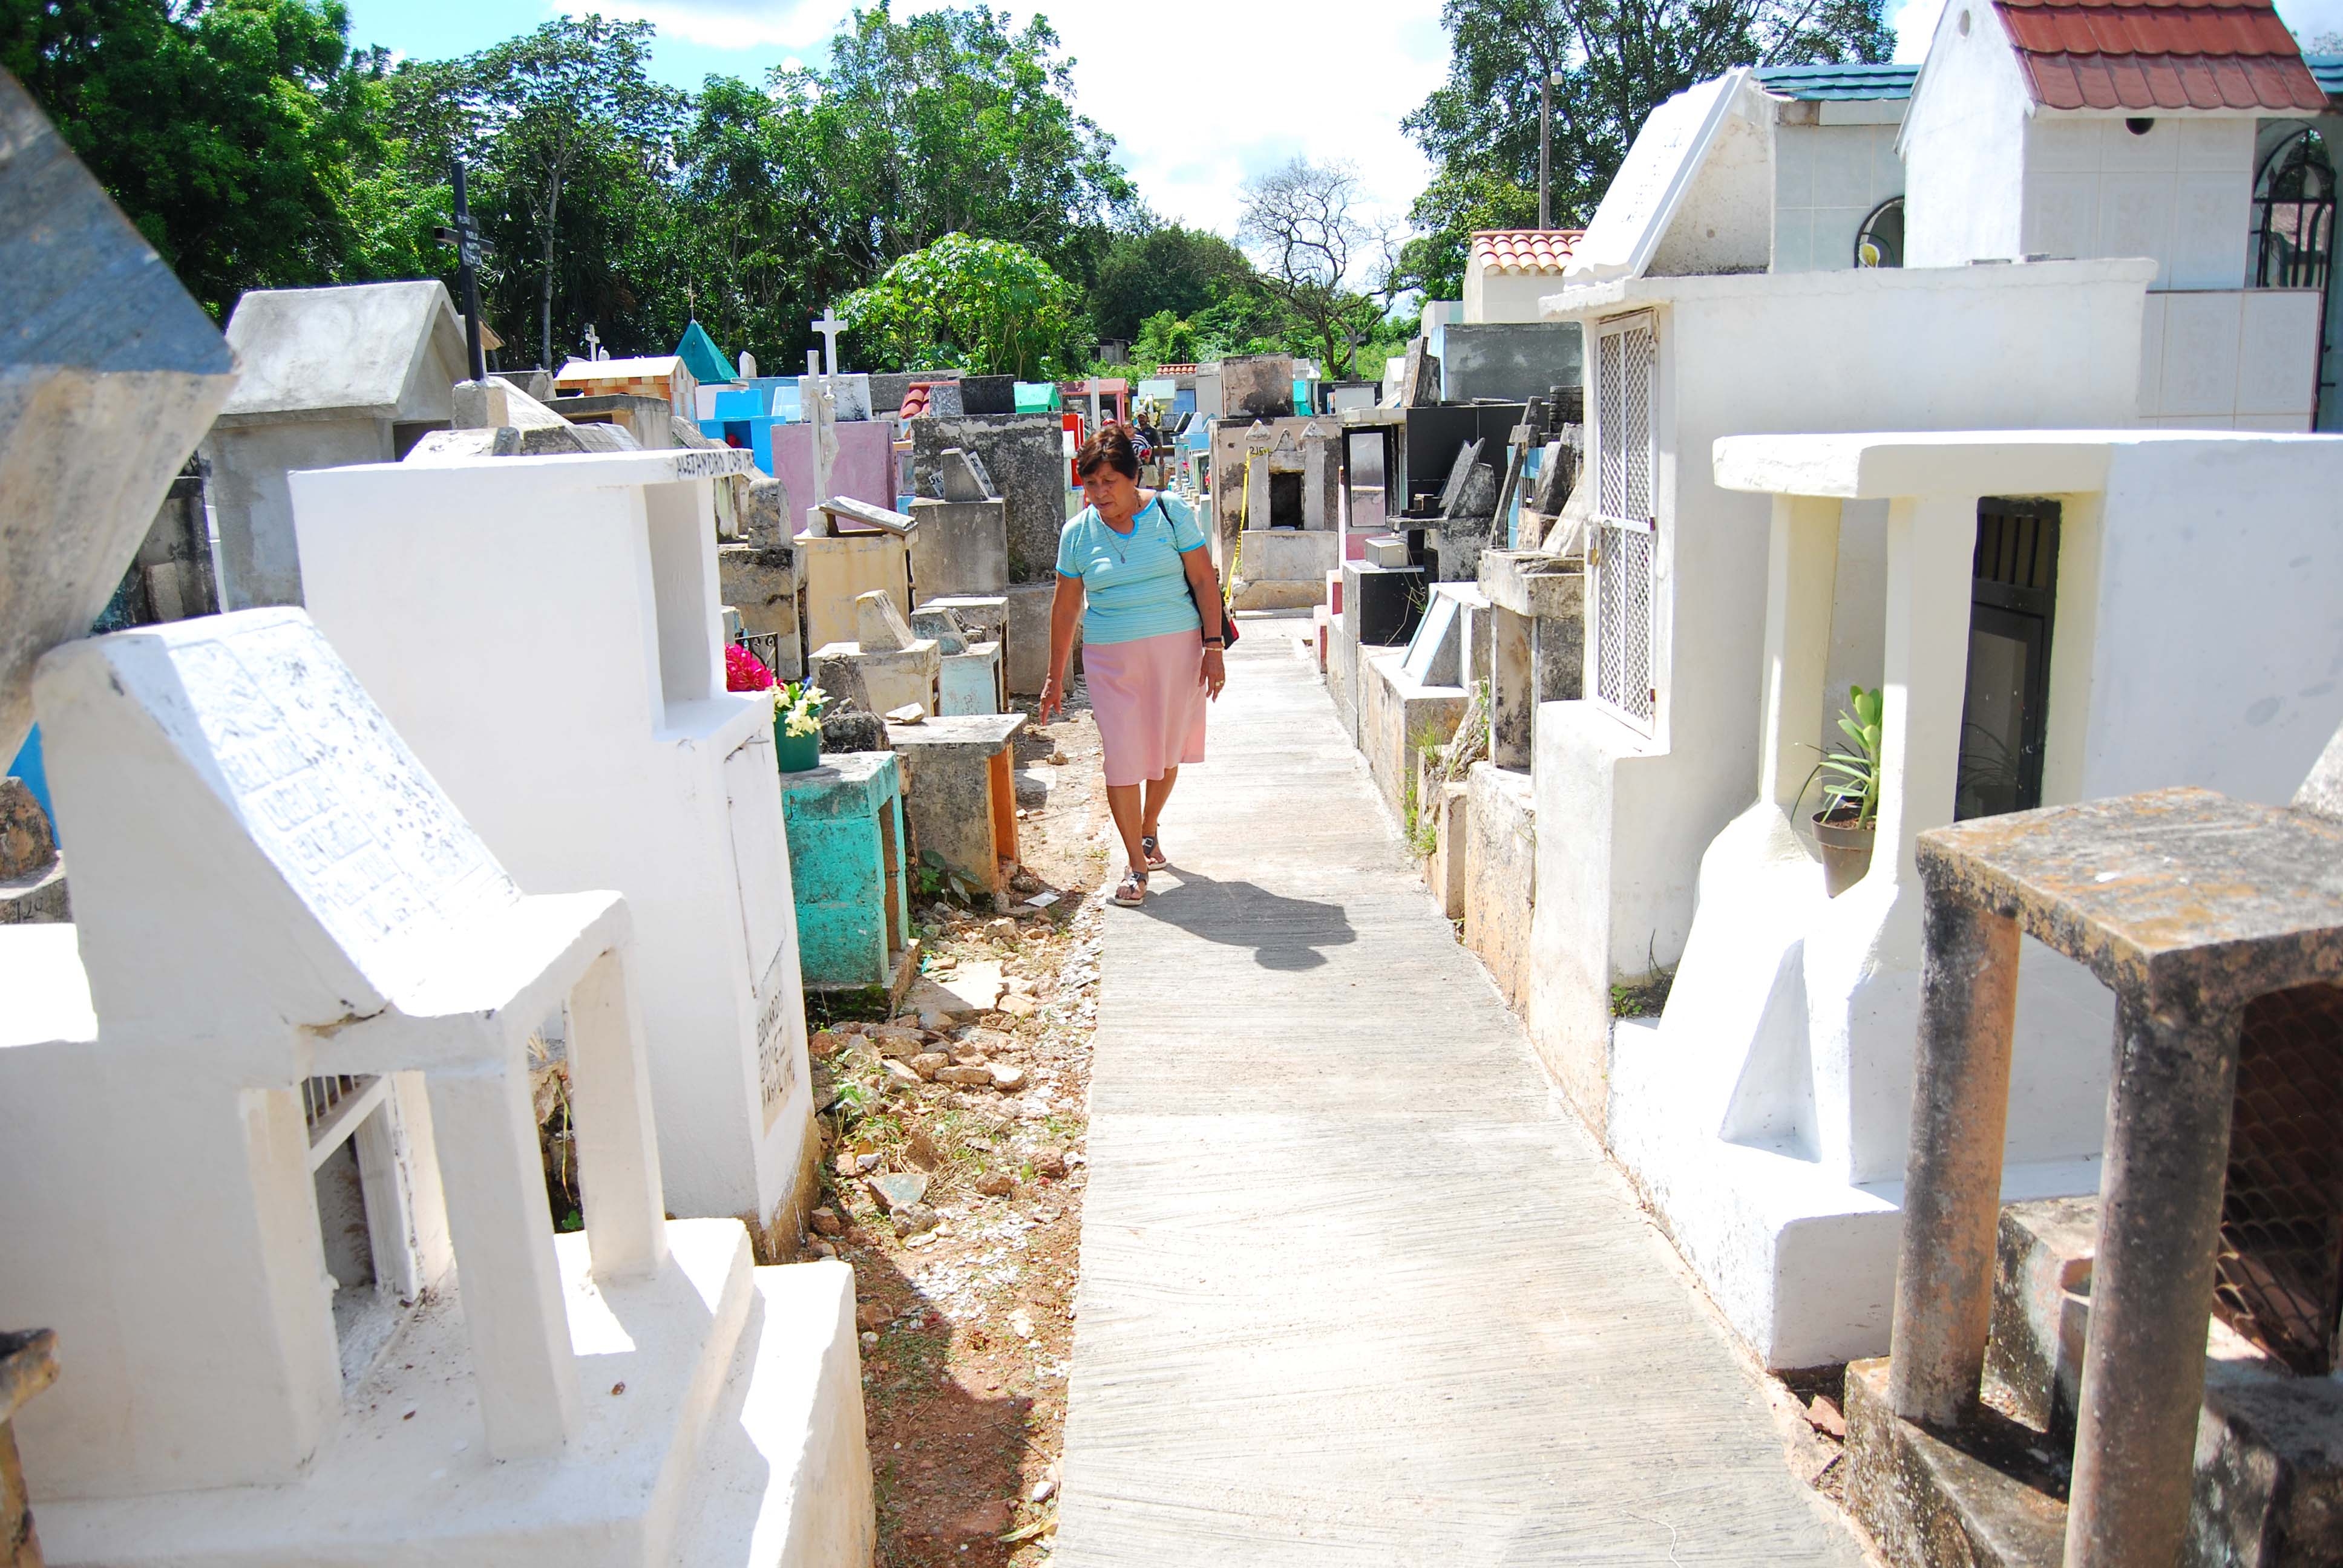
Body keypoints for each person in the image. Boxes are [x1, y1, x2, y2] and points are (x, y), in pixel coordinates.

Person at [1037, 424, 1227, 906]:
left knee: (1165, 754)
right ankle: (1136, 866)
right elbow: (1065, 608)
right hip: (1110, 661)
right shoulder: (1077, 534)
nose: (1100, 494)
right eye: (1091, 484)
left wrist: (1214, 648)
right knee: (1122, 757)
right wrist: (1054, 677)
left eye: (1109, 482)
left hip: (1176, 652)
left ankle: (1148, 828)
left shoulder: (1170, 512)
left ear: (1132, 476)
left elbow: (1204, 581)